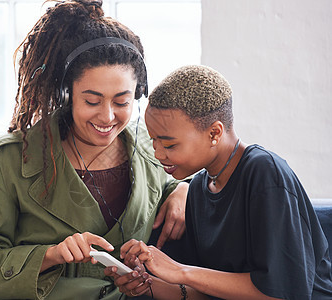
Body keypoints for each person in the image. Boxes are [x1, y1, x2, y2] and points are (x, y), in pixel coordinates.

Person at [0, 1, 189, 299]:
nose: (108, 117)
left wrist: (182, 190)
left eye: (122, 102)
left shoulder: (151, 148)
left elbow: (180, 189)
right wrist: (50, 255)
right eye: (92, 101)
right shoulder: (6, 160)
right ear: (67, 93)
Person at [106, 65, 332, 299]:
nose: (158, 154)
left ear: (214, 133)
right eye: (153, 141)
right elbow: (204, 293)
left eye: (169, 144)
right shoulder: (198, 188)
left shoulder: (264, 173)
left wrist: (181, 271)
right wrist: (149, 283)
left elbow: (284, 294)